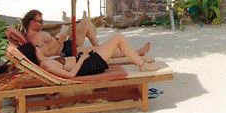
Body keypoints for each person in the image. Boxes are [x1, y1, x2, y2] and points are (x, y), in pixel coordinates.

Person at [21, 9, 152, 61]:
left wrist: (59, 37)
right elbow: (48, 55)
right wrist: (59, 40)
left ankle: (100, 50)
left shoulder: (36, 33)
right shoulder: (34, 39)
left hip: (65, 44)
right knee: (97, 47)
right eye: (40, 21)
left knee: (86, 22)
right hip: (67, 51)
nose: (42, 23)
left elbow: (49, 47)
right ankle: (136, 52)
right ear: (31, 22)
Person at [18, 34, 159, 77]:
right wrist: (83, 59)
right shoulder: (45, 64)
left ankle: (139, 58)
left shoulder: (44, 61)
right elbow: (71, 75)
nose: (39, 48)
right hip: (88, 66)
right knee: (118, 39)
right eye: (36, 48)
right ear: (34, 54)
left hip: (85, 61)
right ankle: (142, 64)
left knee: (115, 42)